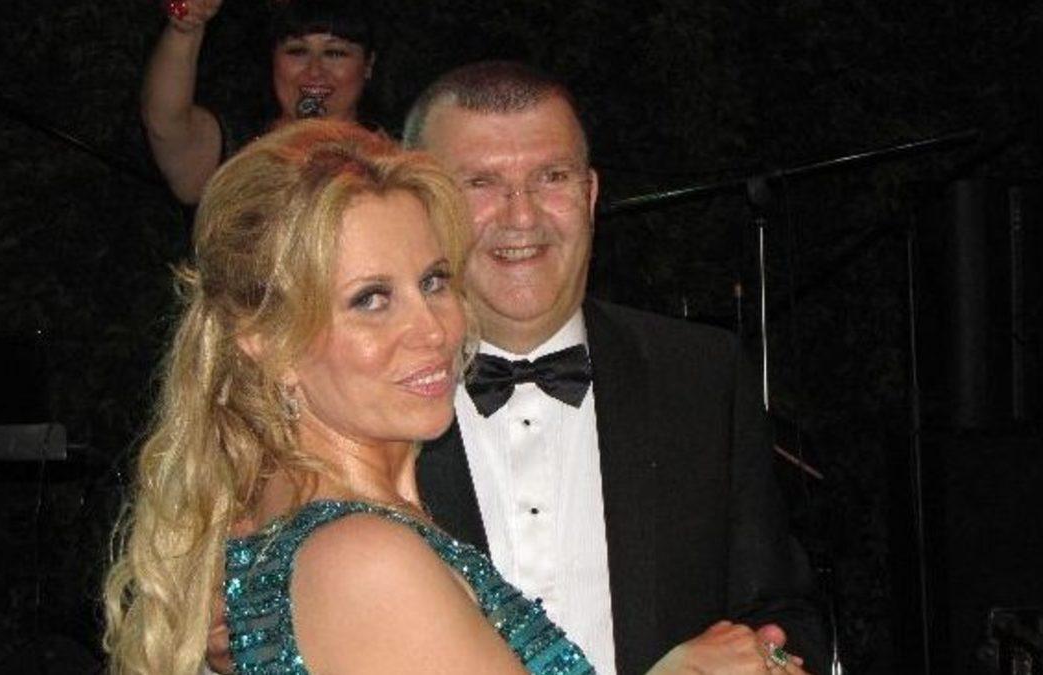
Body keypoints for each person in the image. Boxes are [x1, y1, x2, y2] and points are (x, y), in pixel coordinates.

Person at [103, 120, 596, 675]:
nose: (433, 330)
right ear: (268, 340)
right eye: (372, 299)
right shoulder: (365, 561)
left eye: (433, 282)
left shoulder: (306, 531)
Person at [401, 61, 828, 674]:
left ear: (591, 194)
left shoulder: (700, 375)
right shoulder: (371, 397)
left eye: (551, 177)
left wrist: (771, 659)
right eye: (481, 184)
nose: (521, 217)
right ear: (420, 206)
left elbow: (780, 611)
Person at [141, 0, 377, 204]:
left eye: (335, 53)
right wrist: (184, 30)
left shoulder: (390, 158)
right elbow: (165, 123)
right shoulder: (238, 149)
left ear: (368, 65)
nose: (315, 71)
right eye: (297, 51)